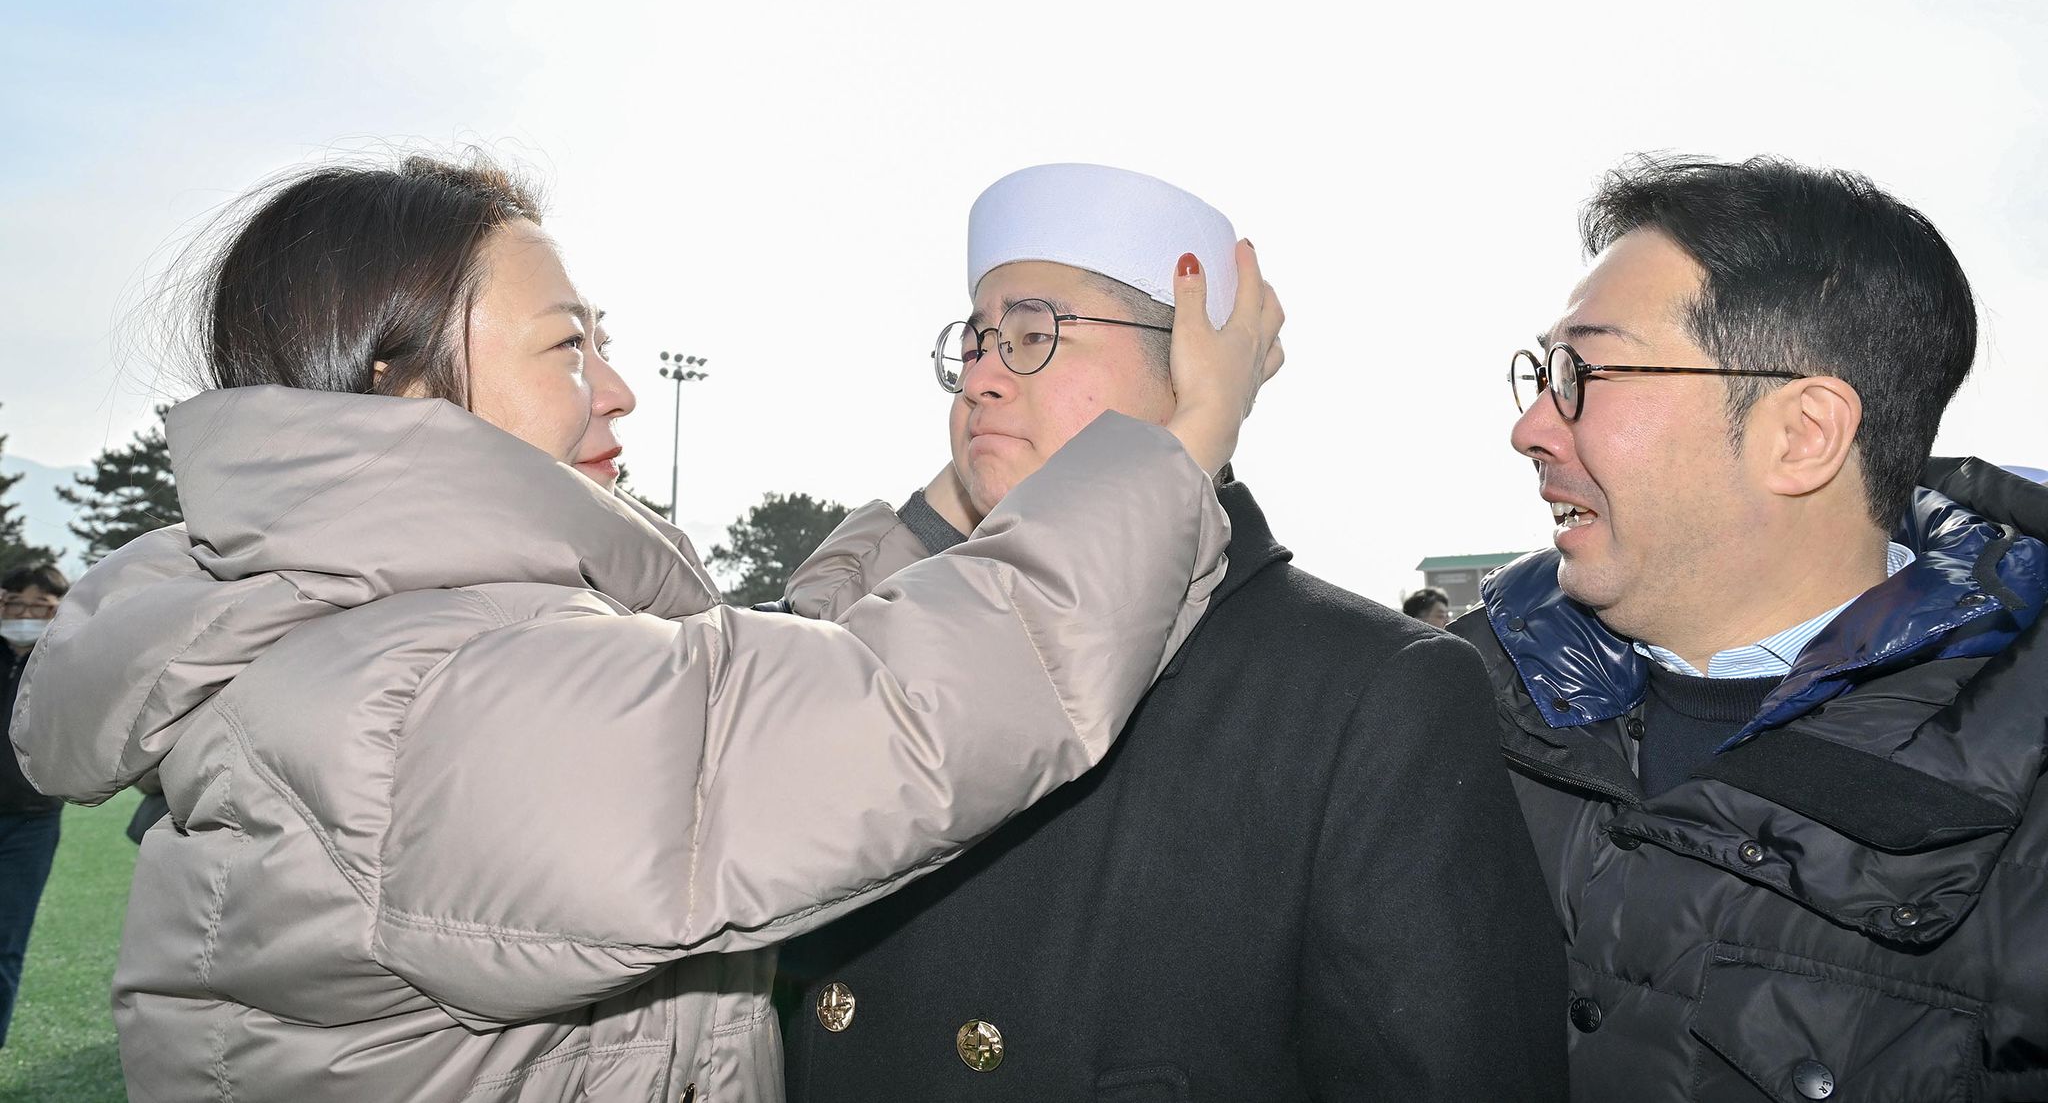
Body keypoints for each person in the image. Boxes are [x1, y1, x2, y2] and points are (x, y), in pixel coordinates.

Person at [8, 151, 1283, 1102]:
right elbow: (891, 722)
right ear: (406, 390)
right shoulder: (421, 702)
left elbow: (729, 695)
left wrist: (947, 505)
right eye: (567, 349)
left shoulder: (375, 636)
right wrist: (1179, 446)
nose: (615, 388)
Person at [777, 163, 1563, 1100]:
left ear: (1191, 370)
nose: (981, 378)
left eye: (1032, 335)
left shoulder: (1371, 694)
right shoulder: (906, 649)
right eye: (977, 341)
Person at [1466, 154, 2048, 1101]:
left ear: (1803, 433)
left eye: (1584, 371)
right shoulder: (1441, 702)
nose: (1531, 426)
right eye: (1541, 371)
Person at [0, 562, 67, 1049]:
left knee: (6, 942)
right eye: (14, 603)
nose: (24, 616)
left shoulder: (67, 663)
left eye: (40, 607)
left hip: (32, 823)